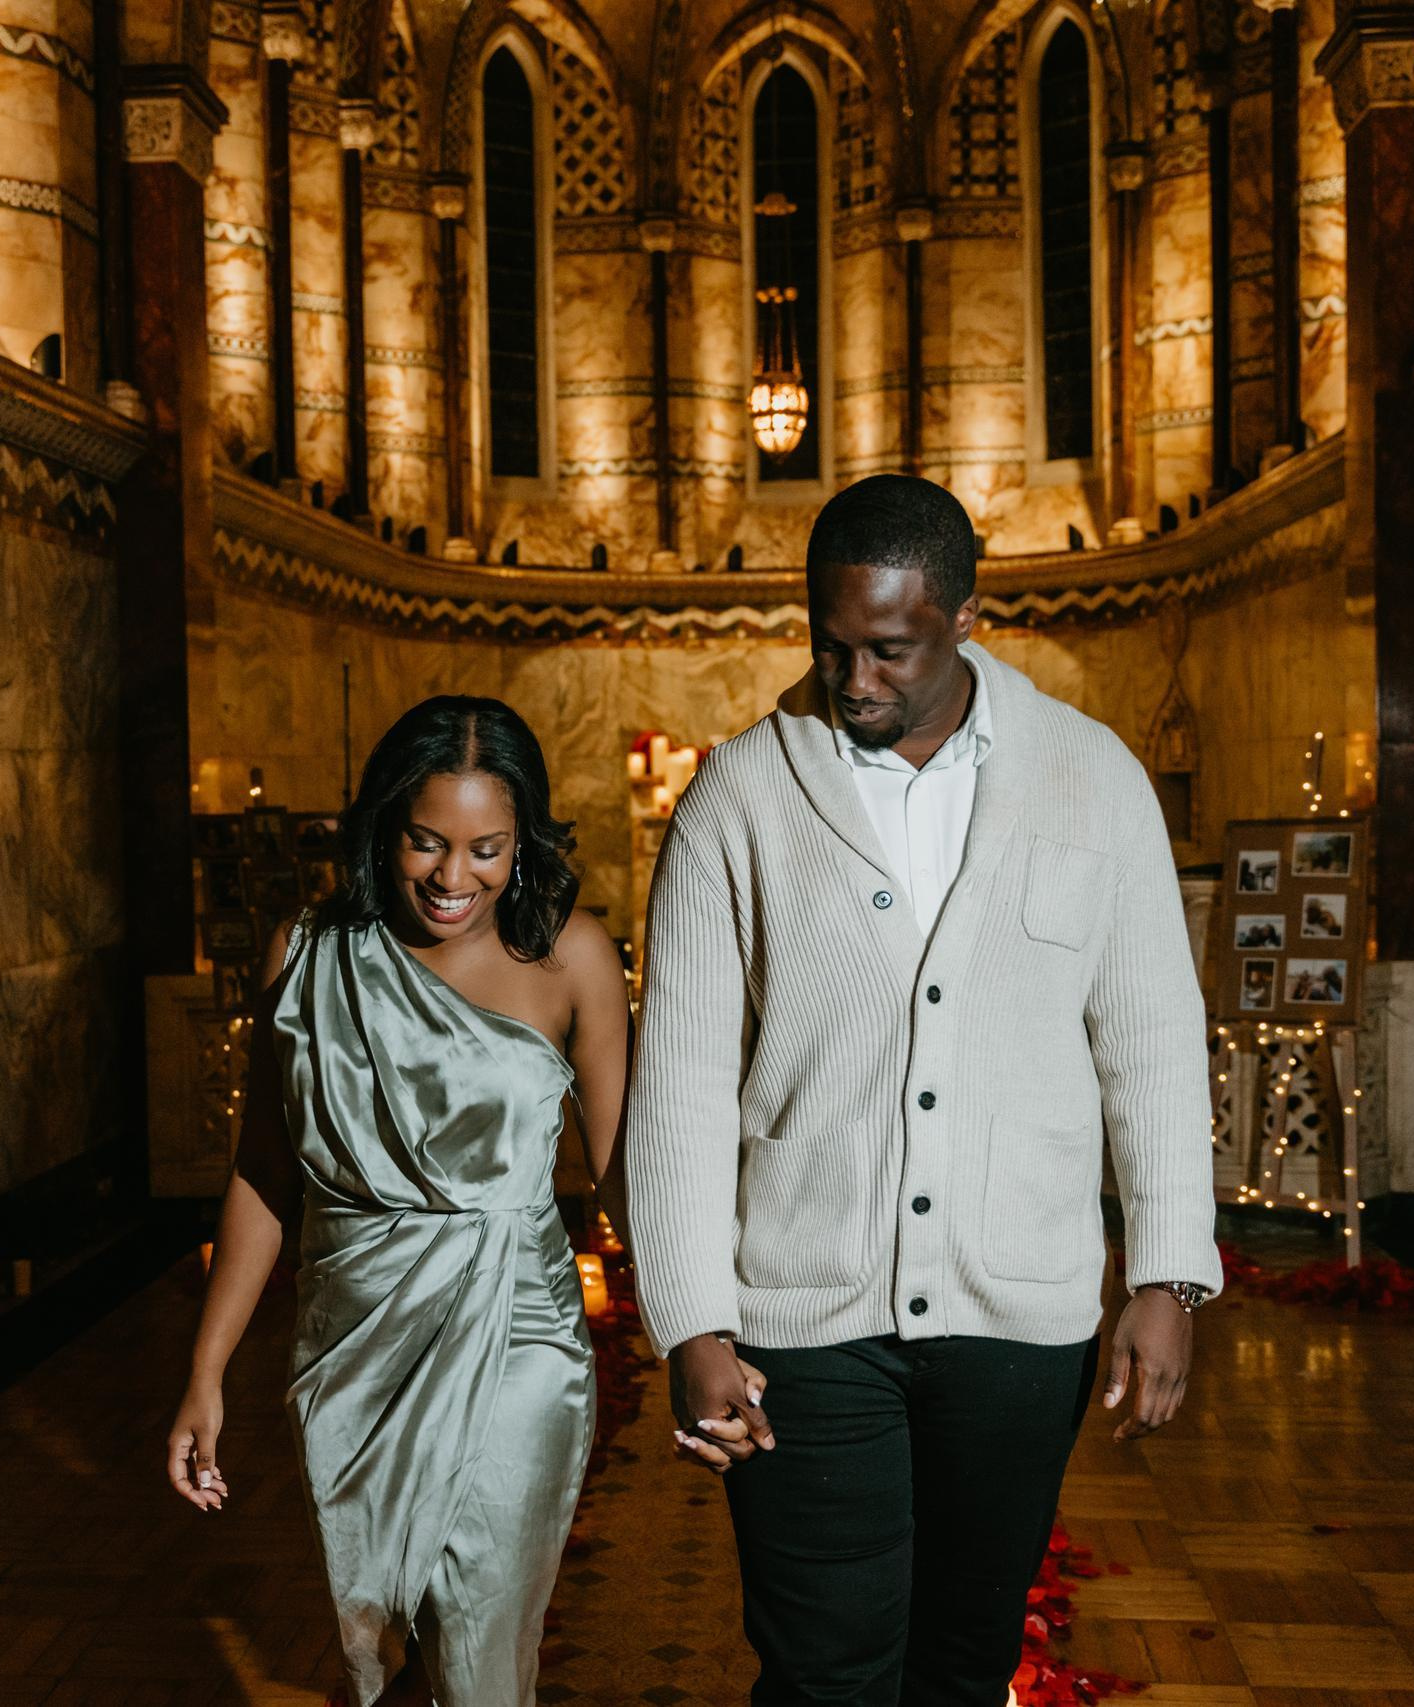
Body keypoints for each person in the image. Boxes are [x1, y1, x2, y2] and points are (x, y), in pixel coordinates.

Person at [624, 475, 1223, 1707]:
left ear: (961, 615)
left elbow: (1153, 1036)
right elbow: (678, 1088)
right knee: (822, 1672)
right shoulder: (737, 795)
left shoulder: (1091, 776)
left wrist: (1166, 1276)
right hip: (803, 1318)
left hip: (1021, 1318)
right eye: (831, 647)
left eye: (888, 650)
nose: (855, 682)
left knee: (962, 1662)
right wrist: (688, 1322)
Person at [166, 697, 634, 1707]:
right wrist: (207, 1372)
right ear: (384, 827)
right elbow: (263, 1172)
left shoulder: (568, 959)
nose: (453, 878)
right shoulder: (308, 954)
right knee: (376, 1647)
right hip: (351, 1342)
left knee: (477, 1636)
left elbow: (623, 1173)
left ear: (526, 842)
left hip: (515, 1333)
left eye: (487, 850)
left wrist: (703, 1336)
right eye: (427, 843)